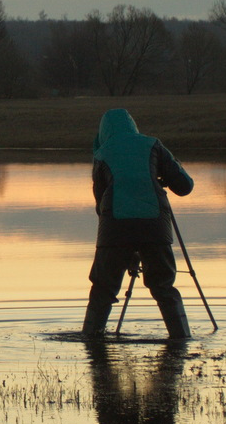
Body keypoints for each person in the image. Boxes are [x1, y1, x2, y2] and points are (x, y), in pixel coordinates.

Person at [82, 108, 194, 339]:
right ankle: (181, 338)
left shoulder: (102, 153)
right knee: (163, 286)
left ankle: (91, 340)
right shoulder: (153, 145)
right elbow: (184, 187)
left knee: (103, 288)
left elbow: (99, 204)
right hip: (155, 226)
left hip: (114, 230)